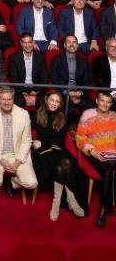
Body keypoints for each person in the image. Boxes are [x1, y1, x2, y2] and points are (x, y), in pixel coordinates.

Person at [31, 91, 88, 221]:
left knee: (63, 164)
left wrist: (43, 142)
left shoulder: (63, 117)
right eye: (52, 100)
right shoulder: (37, 114)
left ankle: (56, 202)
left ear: (60, 104)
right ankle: (70, 198)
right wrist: (38, 142)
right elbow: (36, 134)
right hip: (42, 153)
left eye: (57, 101)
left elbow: (60, 140)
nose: (54, 104)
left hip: (58, 149)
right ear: (47, 100)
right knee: (62, 164)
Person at [0, 87, 38, 199]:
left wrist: (17, 161)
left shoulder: (24, 114)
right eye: (3, 99)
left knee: (32, 184)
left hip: (16, 154)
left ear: (13, 99)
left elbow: (27, 140)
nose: (6, 102)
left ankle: (11, 181)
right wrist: (1, 161)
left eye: (9, 99)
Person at [76, 92, 116, 227]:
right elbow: (80, 137)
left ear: (111, 104)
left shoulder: (115, 116)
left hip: (113, 154)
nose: (105, 104)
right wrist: (92, 151)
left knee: (111, 167)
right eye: (102, 101)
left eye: (108, 102)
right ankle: (107, 206)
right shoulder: (88, 114)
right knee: (111, 167)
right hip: (95, 154)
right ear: (97, 101)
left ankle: (105, 206)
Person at [9, 34, 47, 108]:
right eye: (24, 42)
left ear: (33, 42)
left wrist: (34, 93)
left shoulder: (41, 57)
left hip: (36, 89)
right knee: (19, 101)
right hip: (20, 89)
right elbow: (14, 80)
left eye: (29, 42)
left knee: (42, 102)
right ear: (21, 43)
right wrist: (24, 94)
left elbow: (44, 79)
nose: (27, 45)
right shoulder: (14, 58)